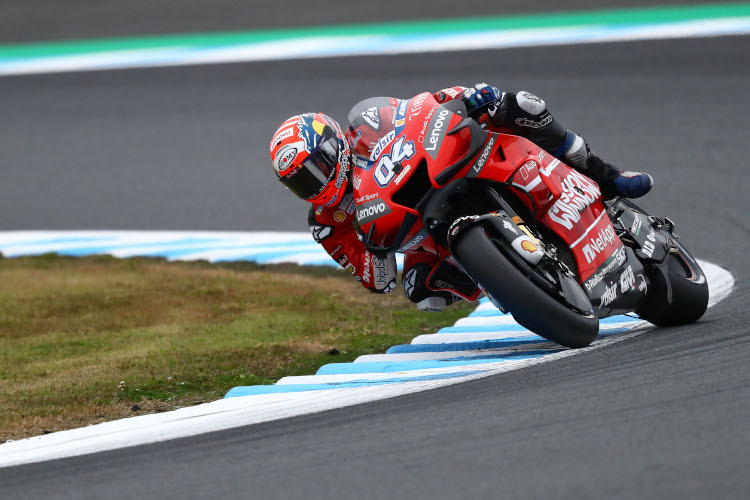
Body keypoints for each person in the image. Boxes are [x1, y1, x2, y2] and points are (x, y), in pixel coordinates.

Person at [268, 84, 653, 312]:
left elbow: (419, 109)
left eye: (316, 167)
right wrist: (373, 246)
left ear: (334, 143)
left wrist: (467, 97)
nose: (315, 184)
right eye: (301, 183)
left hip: (451, 166)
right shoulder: (327, 222)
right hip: (424, 235)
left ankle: (609, 176)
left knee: (522, 105)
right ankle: (503, 278)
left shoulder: (365, 126)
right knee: (420, 292)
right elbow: (379, 281)